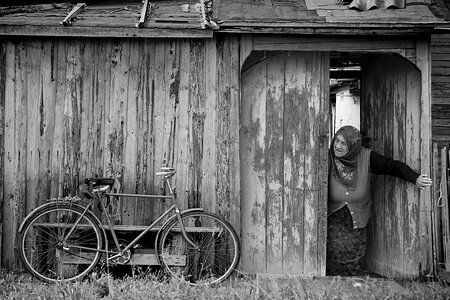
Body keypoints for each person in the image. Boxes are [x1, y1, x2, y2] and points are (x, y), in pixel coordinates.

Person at [326, 125, 432, 276]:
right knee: (333, 254)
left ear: (353, 145)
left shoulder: (366, 158)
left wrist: (415, 178)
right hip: (333, 218)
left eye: (343, 143)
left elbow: (392, 166)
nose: (337, 146)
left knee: (354, 256)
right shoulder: (327, 158)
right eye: (336, 141)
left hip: (357, 219)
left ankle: (353, 288)